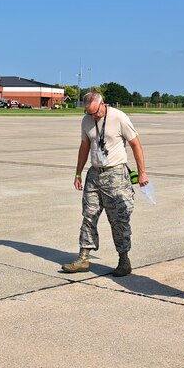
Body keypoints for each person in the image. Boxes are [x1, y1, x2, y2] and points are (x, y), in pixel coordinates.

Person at [61, 92, 149, 277]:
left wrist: (142, 172)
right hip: (94, 174)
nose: (94, 117)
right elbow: (84, 147)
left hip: (116, 174)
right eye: (89, 113)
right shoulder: (86, 121)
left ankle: (124, 260)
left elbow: (135, 144)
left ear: (103, 104)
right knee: (89, 215)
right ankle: (83, 257)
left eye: (96, 113)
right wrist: (78, 172)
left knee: (118, 219)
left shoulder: (119, 117)